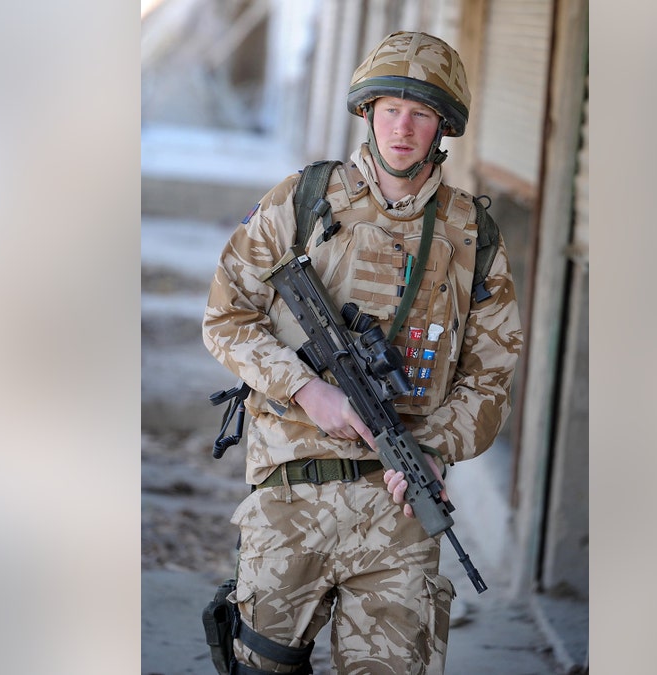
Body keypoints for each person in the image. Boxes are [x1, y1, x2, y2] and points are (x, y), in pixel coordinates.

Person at [202, 30, 523, 675]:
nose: (402, 128)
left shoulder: (472, 236)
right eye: (390, 108)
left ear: (443, 127)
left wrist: (433, 451)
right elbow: (226, 316)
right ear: (368, 111)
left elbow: (490, 379)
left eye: (422, 113)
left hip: (401, 511)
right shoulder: (304, 201)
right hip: (292, 495)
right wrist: (303, 388)